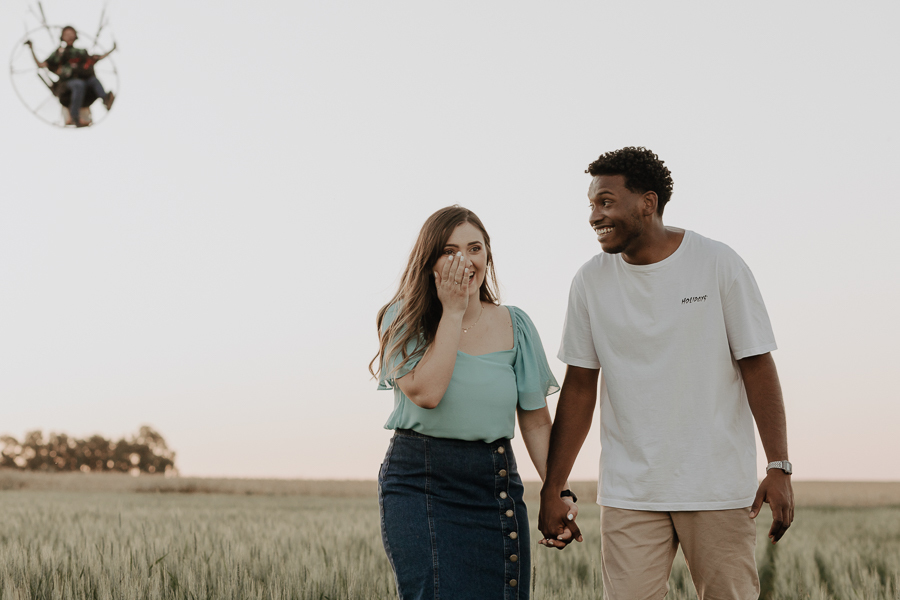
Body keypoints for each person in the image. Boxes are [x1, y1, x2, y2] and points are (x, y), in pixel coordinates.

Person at [537, 147, 793, 599]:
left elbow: (757, 366)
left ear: (647, 203)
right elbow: (578, 388)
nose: (594, 216)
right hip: (630, 492)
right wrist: (552, 488)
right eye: (591, 205)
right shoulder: (589, 280)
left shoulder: (717, 263)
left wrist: (779, 466)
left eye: (606, 202)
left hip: (716, 488)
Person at [371, 205, 577, 599]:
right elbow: (427, 394)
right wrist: (452, 312)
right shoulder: (402, 317)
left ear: (488, 256)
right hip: (421, 484)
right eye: (449, 251)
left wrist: (559, 491)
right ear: (428, 261)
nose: (464, 261)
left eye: (474, 248)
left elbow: (536, 421)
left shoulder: (516, 324)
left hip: (495, 485)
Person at [26, 26, 116, 127]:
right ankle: (74, 117)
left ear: (75, 36)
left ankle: (106, 99)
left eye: (71, 34)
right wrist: (31, 48)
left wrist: (113, 49)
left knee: (93, 81)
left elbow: (97, 57)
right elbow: (41, 64)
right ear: (62, 37)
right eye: (66, 34)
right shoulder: (59, 53)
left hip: (86, 91)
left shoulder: (81, 52)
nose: (69, 36)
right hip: (66, 88)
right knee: (78, 84)